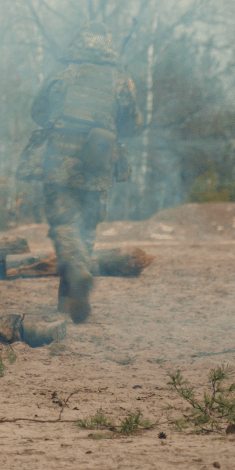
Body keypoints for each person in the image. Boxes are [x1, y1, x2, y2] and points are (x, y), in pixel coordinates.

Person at [22, 22, 142, 324]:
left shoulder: (62, 73)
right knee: (87, 230)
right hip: (98, 159)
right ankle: (71, 299)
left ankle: (75, 275)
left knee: (64, 225)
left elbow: (37, 111)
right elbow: (133, 126)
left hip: (58, 161)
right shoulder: (120, 79)